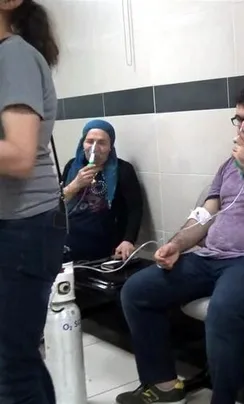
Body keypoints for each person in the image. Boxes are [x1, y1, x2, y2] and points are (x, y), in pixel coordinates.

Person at [116, 82, 244, 404]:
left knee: (224, 309)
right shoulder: (228, 166)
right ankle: (164, 385)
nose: (243, 128)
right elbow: (206, 213)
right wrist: (177, 244)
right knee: (137, 291)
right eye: (239, 120)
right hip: (212, 257)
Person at [0, 1, 64, 404]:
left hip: (24, 227)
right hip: (15, 224)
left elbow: (19, 155)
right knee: (16, 356)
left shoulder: (14, 57)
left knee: (10, 367)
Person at [61, 119, 144, 262]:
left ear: (110, 147)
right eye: (90, 141)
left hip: (107, 245)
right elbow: (58, 203)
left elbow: (135, 209)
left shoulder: (123, 170)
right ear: (82, 144)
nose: (94, 147)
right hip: (70, 241)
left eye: (101, 142)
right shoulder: (71, 167)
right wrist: (75, 184)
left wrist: (128, 240)